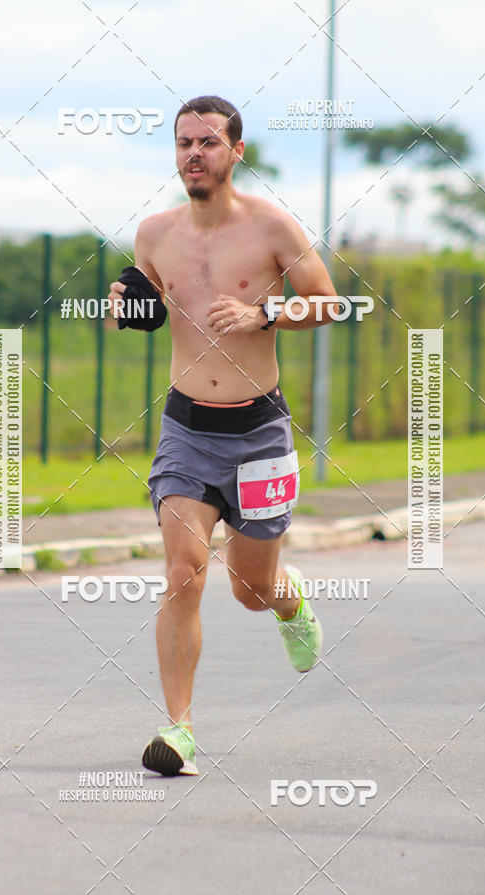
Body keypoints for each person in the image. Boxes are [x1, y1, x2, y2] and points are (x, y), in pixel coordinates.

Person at [108, 95, 337, 777]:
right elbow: (140, 297)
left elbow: (328, 302)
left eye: (208, 143)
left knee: (249, 588)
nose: (193, 155)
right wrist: (124, 304)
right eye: (184, 143)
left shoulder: (272, 226)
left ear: (237, 152)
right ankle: (178, 731)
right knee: (183, 574)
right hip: (186, 429)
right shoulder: (154, 232)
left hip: (259, 432)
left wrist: (263, 311)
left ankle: (287, 602)